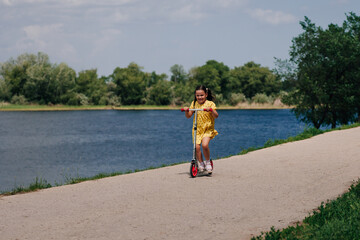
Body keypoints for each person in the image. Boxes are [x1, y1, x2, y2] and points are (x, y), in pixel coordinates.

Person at [183, 85, 219, 173]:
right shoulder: (194, 103)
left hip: (207, 129)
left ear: (206, 94)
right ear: (195, 96)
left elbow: (216, 116)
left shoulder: (210, 103)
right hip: (197, 129)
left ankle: (208, 162)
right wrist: (187, 111)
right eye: (197, 95)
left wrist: (211, 110)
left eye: (201, 95)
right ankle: (201, 163)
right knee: (197, 147)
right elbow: (189, 116)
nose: (199, 97)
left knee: (205, 145)